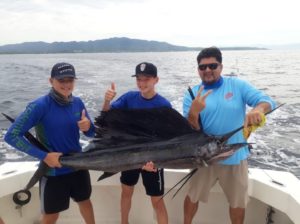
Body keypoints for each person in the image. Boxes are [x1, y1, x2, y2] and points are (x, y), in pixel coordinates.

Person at [182, 47, 276, 224]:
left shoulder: (237, 85)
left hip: (235, 157)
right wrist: (194, 112)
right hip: (204, 158)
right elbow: (189, 130)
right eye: (203, 67)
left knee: (237, 203)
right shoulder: (193, 94)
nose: (207, 70)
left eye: (212, 65)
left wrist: (257, 109)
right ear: (198, 70)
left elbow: (267, 102)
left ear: (221, 67)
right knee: (192, 197)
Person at [4, 62, 95, 224]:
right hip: (54, 172)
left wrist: (87, 127)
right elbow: (11, 136)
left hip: (79, 166)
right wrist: (44, 156)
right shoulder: (39, 106)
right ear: (51, 81)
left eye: (70, 80)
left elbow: (92, 133)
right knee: (51, 215)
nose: (66, 85)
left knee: (85, 203)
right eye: (62, 81)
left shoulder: (78, 103)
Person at [102, 62, 169, 224]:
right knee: (126, 192)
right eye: (139, 79)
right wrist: (106, 101)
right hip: (129, 156)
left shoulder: (164, 105)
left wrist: (153, 161)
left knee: (157, 201)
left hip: (153, 159)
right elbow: (106, 119)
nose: (142, 83)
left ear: (156, 80)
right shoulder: (128, 98)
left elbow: (167, 138)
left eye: (146, 79)